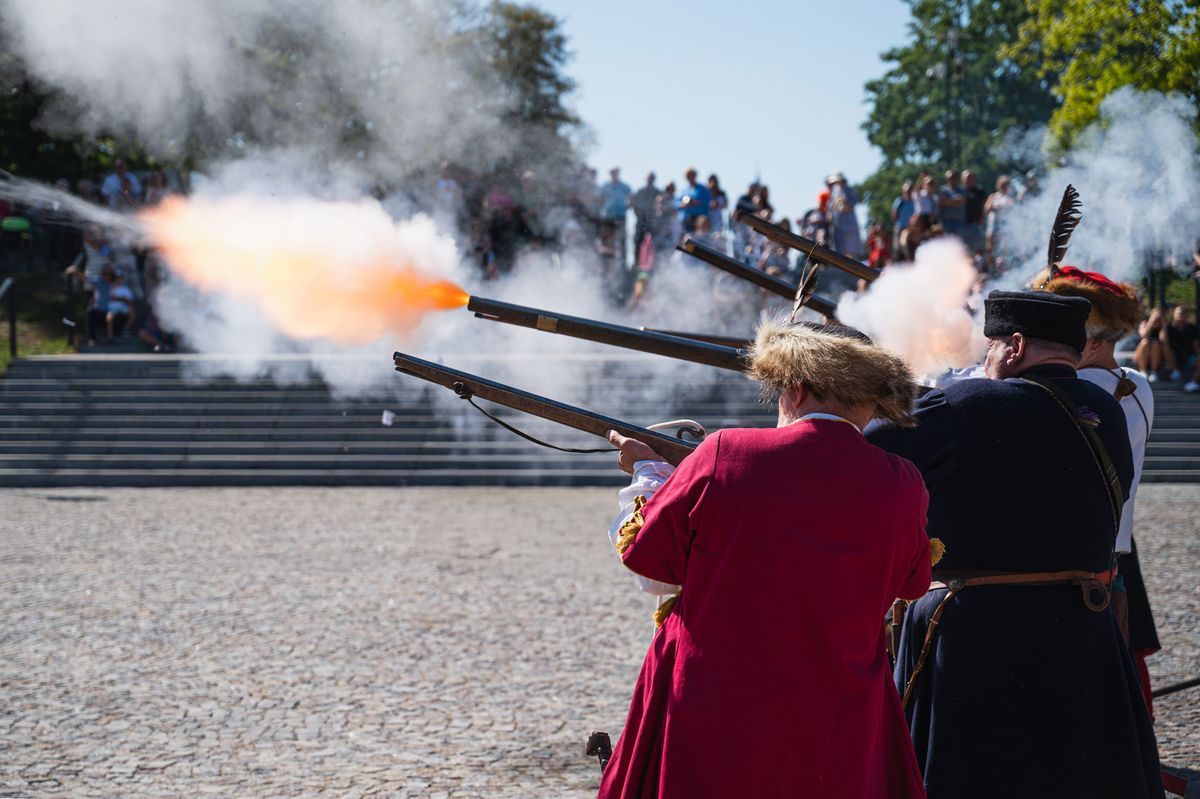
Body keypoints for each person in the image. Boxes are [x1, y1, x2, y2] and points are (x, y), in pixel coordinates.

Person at [599, 320, 932, 799]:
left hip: (716, 693)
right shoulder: (903, 480)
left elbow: (650, 562)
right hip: (842, 701)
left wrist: (651, 472)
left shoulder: (726, 451)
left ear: (795, 390)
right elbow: (914, 582)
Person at [868, 290, 1163, 799]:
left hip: (976, 632)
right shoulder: (1109, 409)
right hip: (1080, 627)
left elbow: (869, 450)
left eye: (991, 347)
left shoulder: (965, 403)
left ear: (1014, 345)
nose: (985, 358)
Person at [1035, 265, 1162, 716]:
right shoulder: (1137, 383)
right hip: (1118, 547)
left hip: (1076, 551)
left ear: (1091, 339)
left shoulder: (1076, 389)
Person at [826, 172, 863, 257]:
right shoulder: (833, 192)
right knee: (839, 251)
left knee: (852, 251)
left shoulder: (850, 191)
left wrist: (843, 201)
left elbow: (851, 205)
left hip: (850, 225)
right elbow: (830, 206)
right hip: (838, 226)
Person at [983, 175, 1014, 272]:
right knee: (990, 246)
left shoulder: (1009, 197)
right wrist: (994, 207)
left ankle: (1003, 268)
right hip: (993, 224)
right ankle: (991, 267)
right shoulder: (993, 196)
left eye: (1005, 185)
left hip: (1004, 225)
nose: (1004, 187)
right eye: (1002, 184)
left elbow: (1011, 207)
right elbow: (987, 209)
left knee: (1003, 248)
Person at [1163, 305, 1198, 381]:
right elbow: (1163, 341)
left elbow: (1195, 347)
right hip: (1172, 358)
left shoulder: (1192, 328)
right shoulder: (1168, 327)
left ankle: (1193, 382)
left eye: (1183, 313)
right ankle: (1175, 370)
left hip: (1188, 357)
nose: (1180, 315)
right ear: (1174, 315)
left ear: (1187, 316)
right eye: (1179, 313)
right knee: (1166, 346)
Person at [1133, 309, 1167, 380]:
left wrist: (1163, 325)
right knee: (1145, 342)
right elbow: (1143, 335)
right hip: (1141, 355)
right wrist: (1150, 323)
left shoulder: (1163, 326)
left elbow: (1163, 339)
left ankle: (1153, 372)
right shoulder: (1144, 323)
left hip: (1157, 357)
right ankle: (1143, 371)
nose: (1156, 320)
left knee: (1155, 343)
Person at [631, 173, 660, 257]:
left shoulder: (657, 192)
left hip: (653, 222)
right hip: (641, 220)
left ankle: (653, 263)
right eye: (649, 178)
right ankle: (636, 264)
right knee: (638, 241)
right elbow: (634, 205)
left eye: (652, 178)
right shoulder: (640, 191)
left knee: (654, 243)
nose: (650, 180)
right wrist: (640, 216)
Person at [961, 170, 987, 257]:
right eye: (966, 178)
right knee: (963, 249)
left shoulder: (979, 191)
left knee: (978, 248)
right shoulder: (960, 191)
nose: (968, 180)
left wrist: (982, 217)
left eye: (970, 178)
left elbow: (985, 205)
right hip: (961, 224)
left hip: (975, 224)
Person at [677, 168, 711, 233]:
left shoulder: (702, 189)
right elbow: (676, 202)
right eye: (688, 176)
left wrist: (695, 202)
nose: (690, 178)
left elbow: (707, 202)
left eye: (692, 175)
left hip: (699, 220)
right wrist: (682, 205)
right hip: (686, 219)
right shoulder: (684, 190)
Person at [937, 170, 966, 239]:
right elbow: (940, 203)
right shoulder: (943, 190)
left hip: (959, 222)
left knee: (958, 244)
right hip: (945, 222)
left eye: (953, 178)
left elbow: (961, 202)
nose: (951, 180)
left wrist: (947, 202)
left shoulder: (962, 190)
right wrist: (955, 201)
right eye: (949, 178)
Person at [891, 181, 915, 257]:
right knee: (897, 248)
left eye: (910, 189)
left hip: (911, 229)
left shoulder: (915, 201)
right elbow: (894, 215)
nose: (908, 192)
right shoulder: (900, 201)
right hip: (900, 227)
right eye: (907, 190)